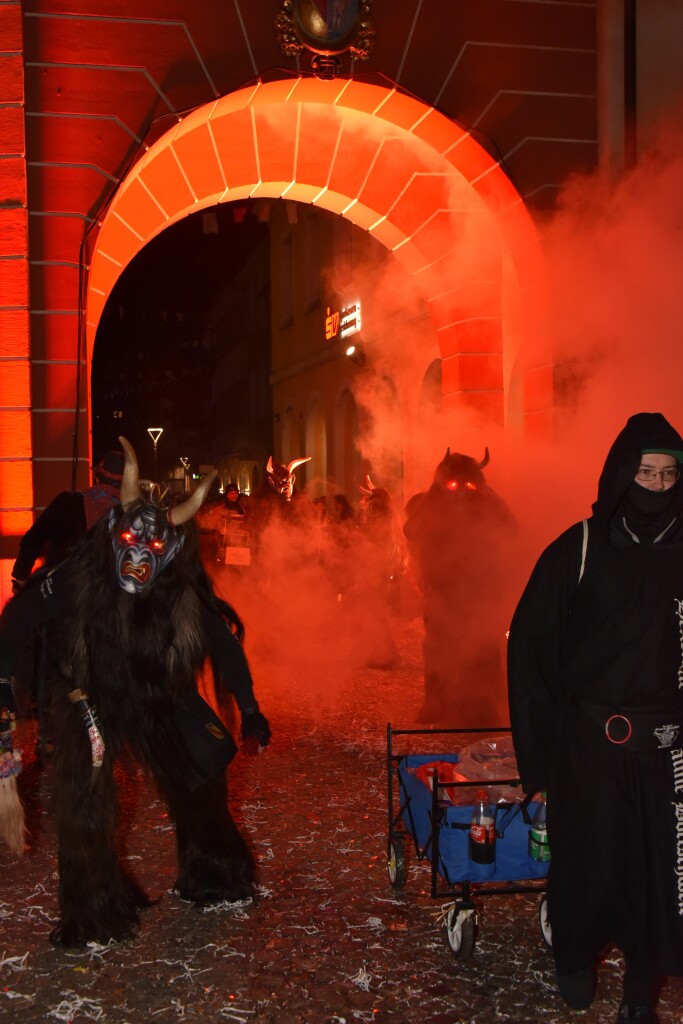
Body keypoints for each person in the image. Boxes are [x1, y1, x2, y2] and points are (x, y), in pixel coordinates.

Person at [507, 412, 683, 1024]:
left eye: (668, 475)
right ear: (619, 475)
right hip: (590, 745)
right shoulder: (579, 548)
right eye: (645, 473)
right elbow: (530, 648)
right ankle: (574, 957)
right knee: (589, 861)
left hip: (667, 751)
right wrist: (540, 757)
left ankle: (641, 993)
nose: (657, 487)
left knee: (658, 872)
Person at [11, 448, 125, 591]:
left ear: (97, 476)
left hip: (58, 590)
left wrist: (20, 578)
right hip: (105, 597)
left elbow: (32, 540)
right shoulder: (127, 514)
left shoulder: (65, 502)